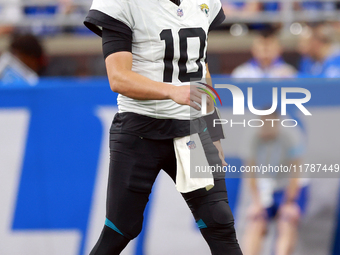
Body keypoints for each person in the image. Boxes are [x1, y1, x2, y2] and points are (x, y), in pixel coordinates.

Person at [84, 0, 243, 254]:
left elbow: (201, 67)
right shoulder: (122, 2)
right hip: (140, 130)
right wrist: (171, 92)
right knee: (120, 228)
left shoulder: (204, 2)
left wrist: (214, 130)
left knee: (220, 222)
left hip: (191, 128)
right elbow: (118, 77)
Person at [242, 111, 308, 255]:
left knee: (286, 221)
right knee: (255, 222)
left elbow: (296, 172)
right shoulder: (252, 135)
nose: (265, 129)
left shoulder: (291, 134)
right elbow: (250, 173)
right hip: (266, 187)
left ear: (277, 123)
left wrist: (289, 202)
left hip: (290, 187)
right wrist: (257, 202)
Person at [231, 28, 296, 78]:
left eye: (270, 45)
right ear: (253, 49)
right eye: (261, 44)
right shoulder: (241, 74)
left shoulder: (289, 74)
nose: (265, 48)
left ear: (280, 49)